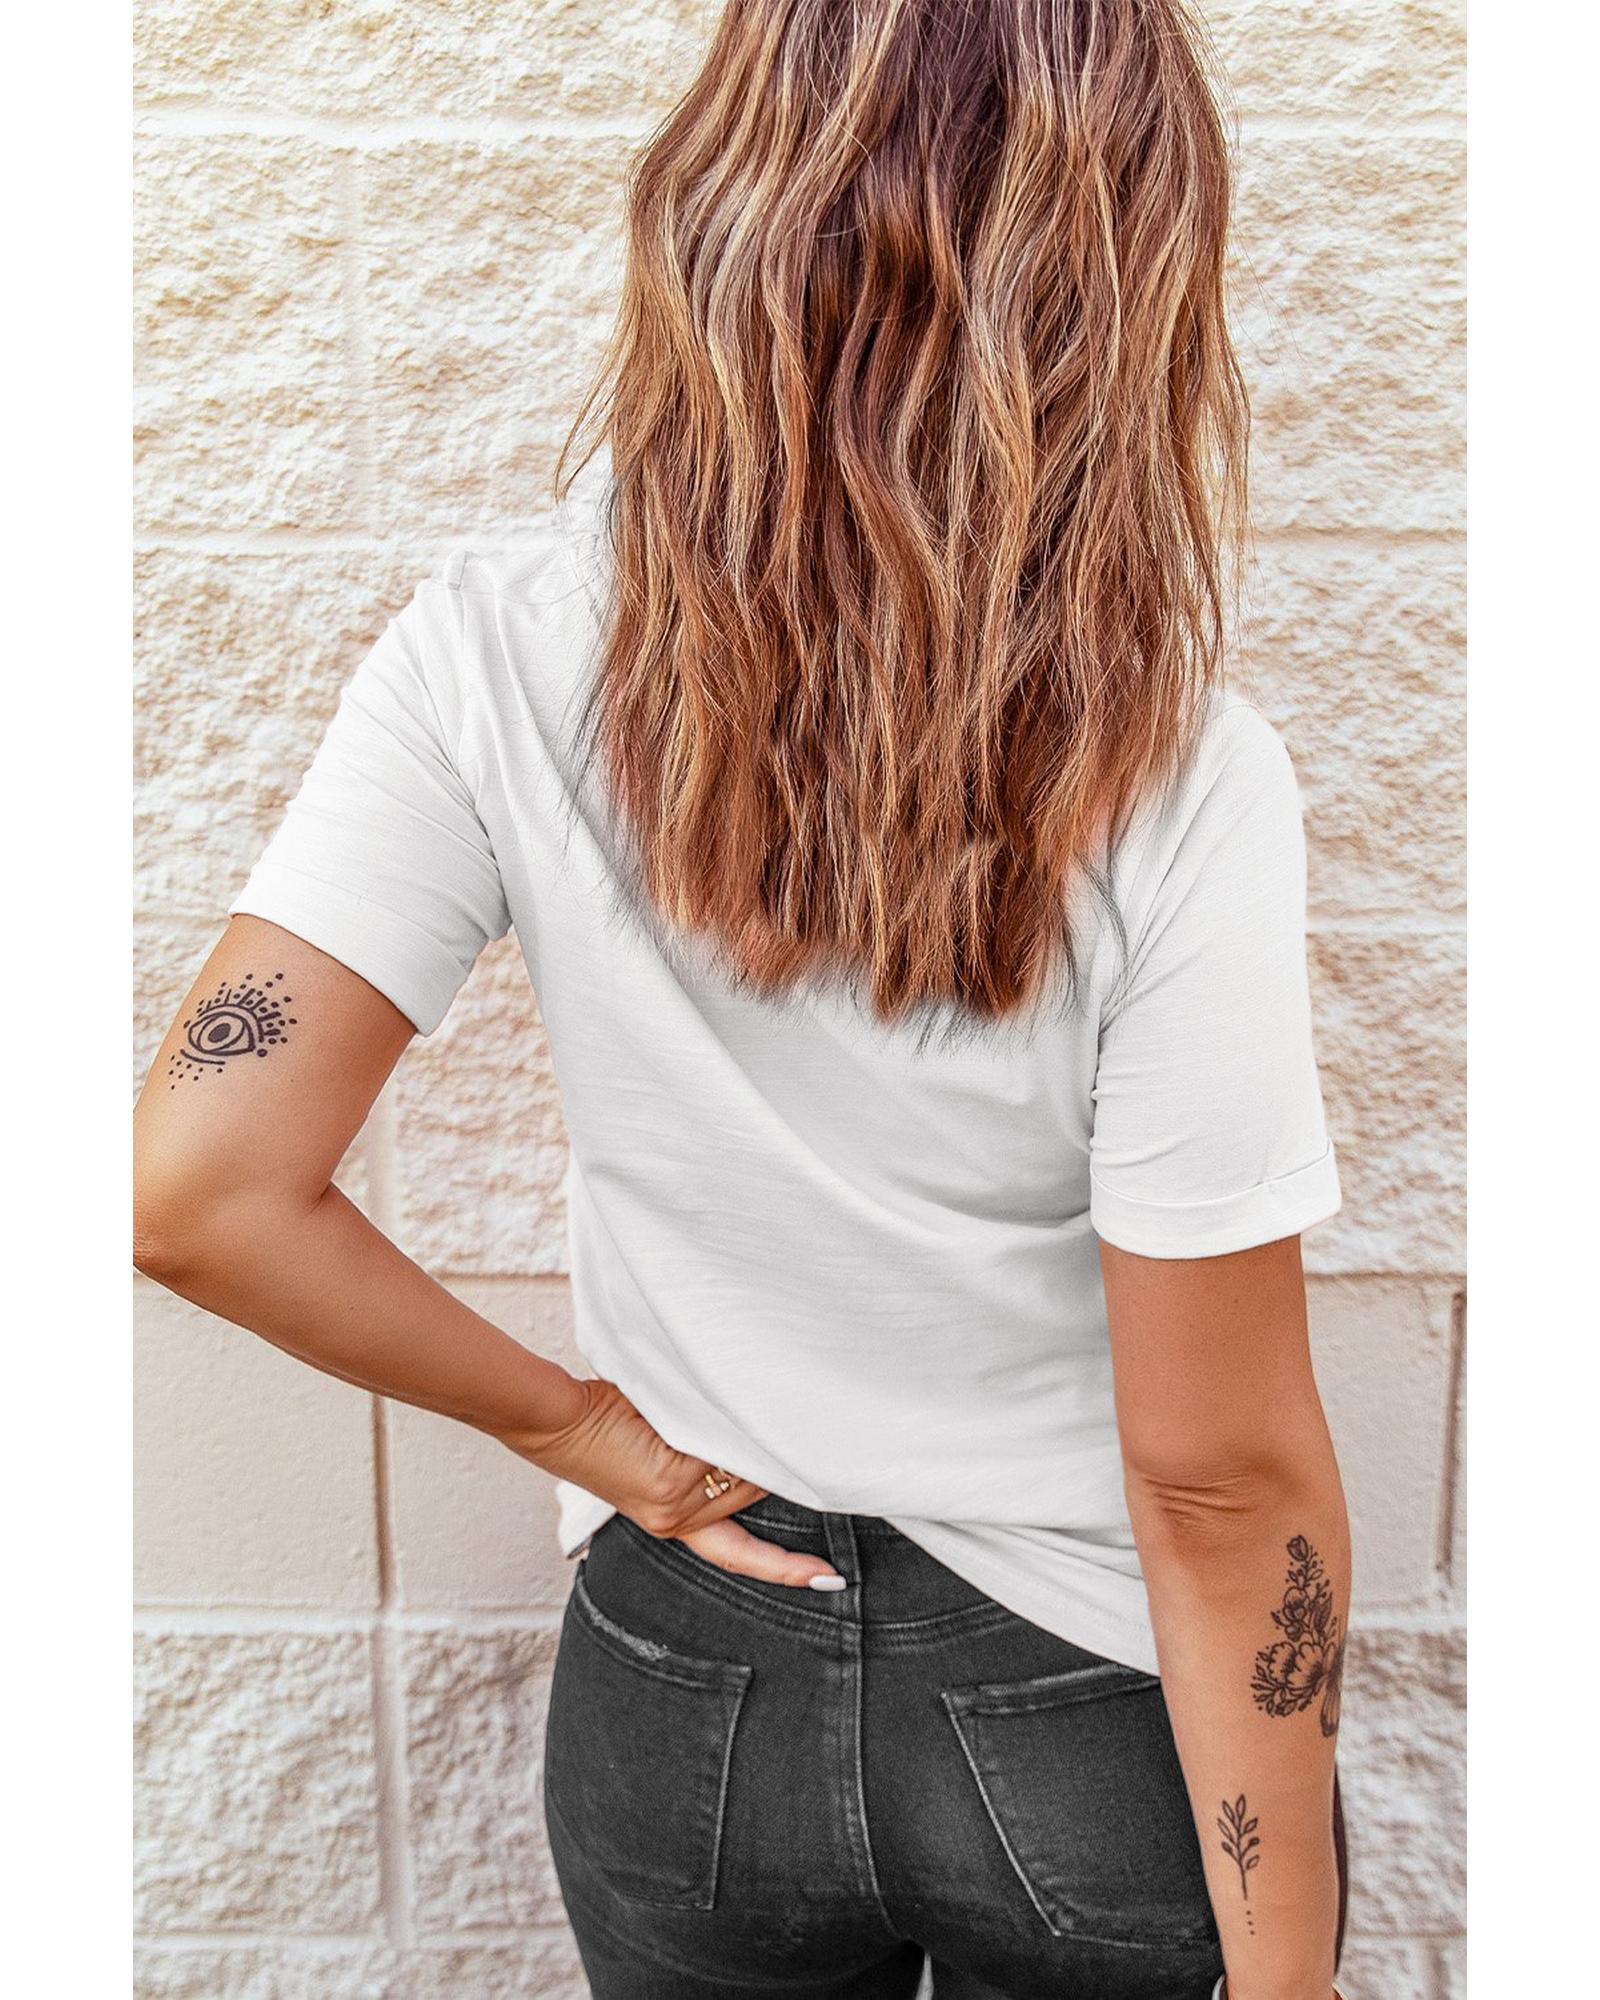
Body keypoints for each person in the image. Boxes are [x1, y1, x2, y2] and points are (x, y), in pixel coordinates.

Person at [133, 2, 1354, 1995]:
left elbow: (200, 1184)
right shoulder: (1178, 772)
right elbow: (1216, 1477)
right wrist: (1293, 1979)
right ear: (1121, 288)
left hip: (685, 1675)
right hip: (1077, 1695)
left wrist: (591, 1439)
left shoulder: (489, 651)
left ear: (721, 212)